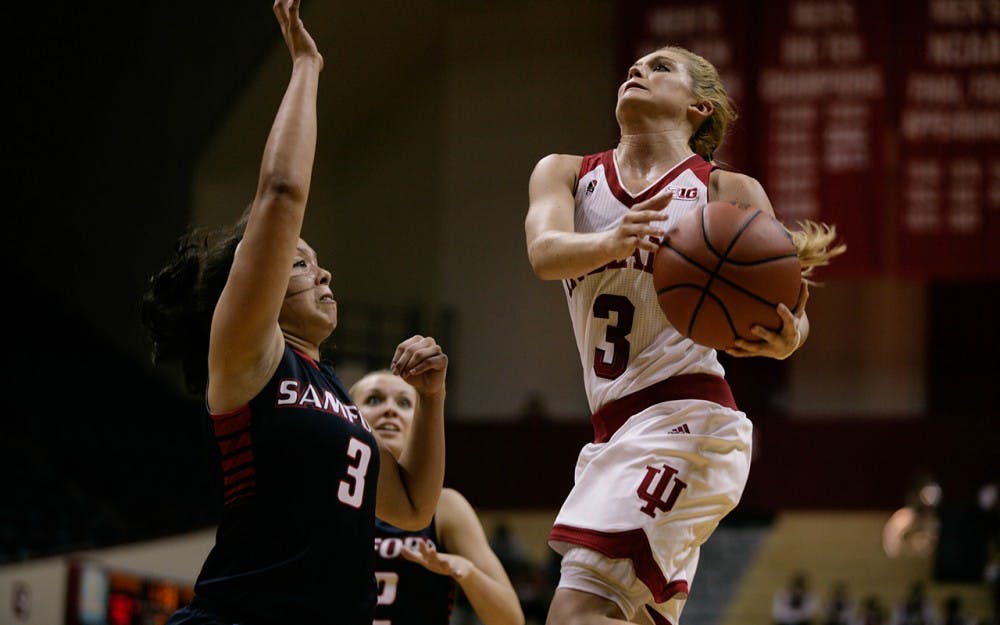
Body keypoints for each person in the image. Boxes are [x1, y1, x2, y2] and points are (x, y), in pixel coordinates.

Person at [140, 2, 447, 624]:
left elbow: (413, 506)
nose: (324, 272)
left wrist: (434, 399)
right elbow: (281, 193)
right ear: (259, 287)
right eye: (301, 264)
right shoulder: (248, 352)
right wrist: (307, 64)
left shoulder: (334, 390)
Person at [524, 44, 846, 625]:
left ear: (699, 106)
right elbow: (544, 253)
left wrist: (786, 338)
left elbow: (792, 312)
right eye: (633, 67)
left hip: (687, 424)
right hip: (614, 434)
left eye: (659, 68)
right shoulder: (566, 173)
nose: (636, 72)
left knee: (573, 615)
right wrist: (610, 241)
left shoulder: (728, 192)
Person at [349, 370, 523, 625]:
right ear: (349, 415)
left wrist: (467, 572)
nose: (390, 410)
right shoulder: (330, 493)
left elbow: (511, 620)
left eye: (404, 402)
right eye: (374, 400)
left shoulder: (446, 506)